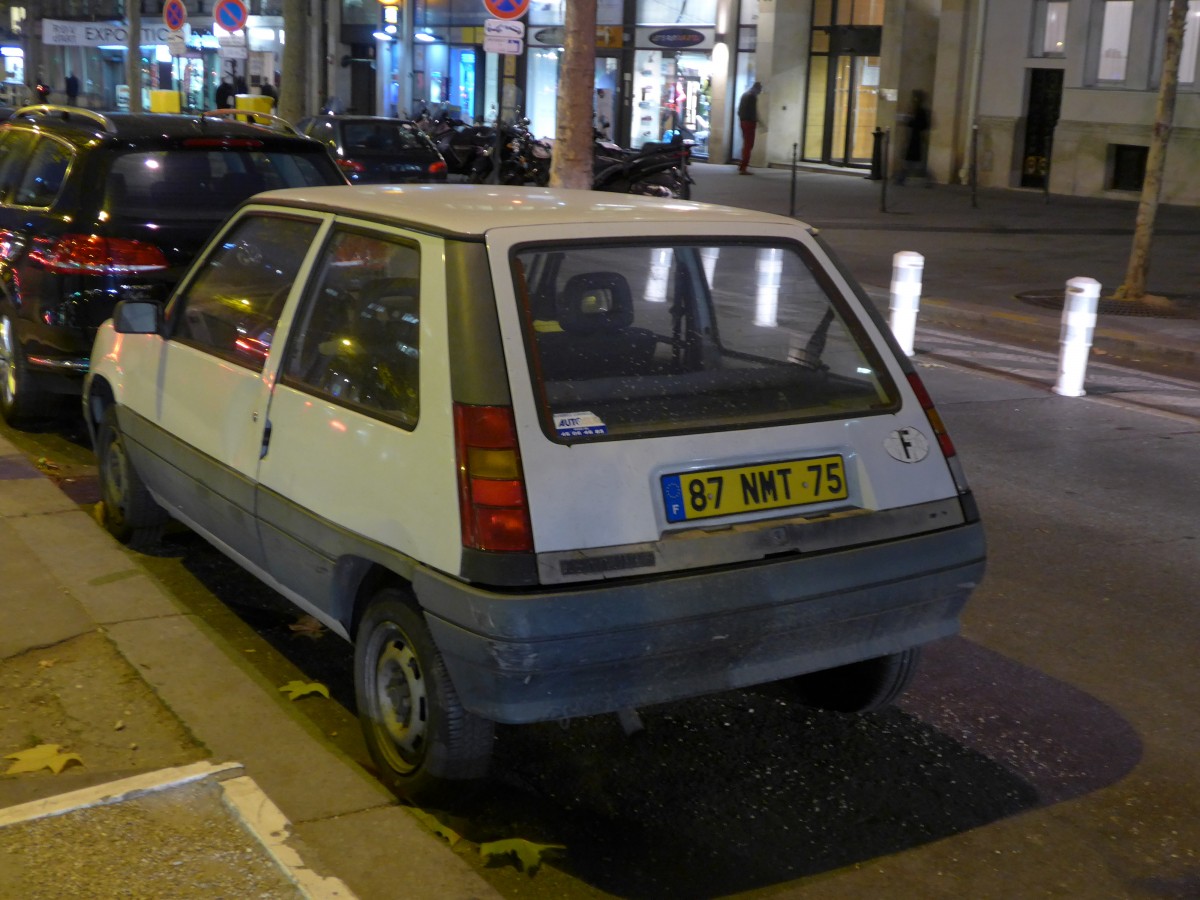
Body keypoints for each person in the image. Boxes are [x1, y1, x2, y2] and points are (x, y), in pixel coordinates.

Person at [896, 89, 931, 185]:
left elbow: (919, 124)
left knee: (912, 162)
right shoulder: (918, 110)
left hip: (916, 139)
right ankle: (901, 179)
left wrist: (909, 121)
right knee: (913, 162)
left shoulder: (919, 111)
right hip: (915, 138)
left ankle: (901, 179)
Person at [737, 81, 762, 175]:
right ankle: (744, 167)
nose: (760, 92)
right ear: (757, 88)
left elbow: (739, 110)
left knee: (746, 144)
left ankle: (741, 165)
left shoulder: (744, 94)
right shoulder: (752, 96)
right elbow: (753, 111)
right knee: (749, 145)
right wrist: (756, 120)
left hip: (743, 121)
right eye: (760, 89)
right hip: (749, 122)